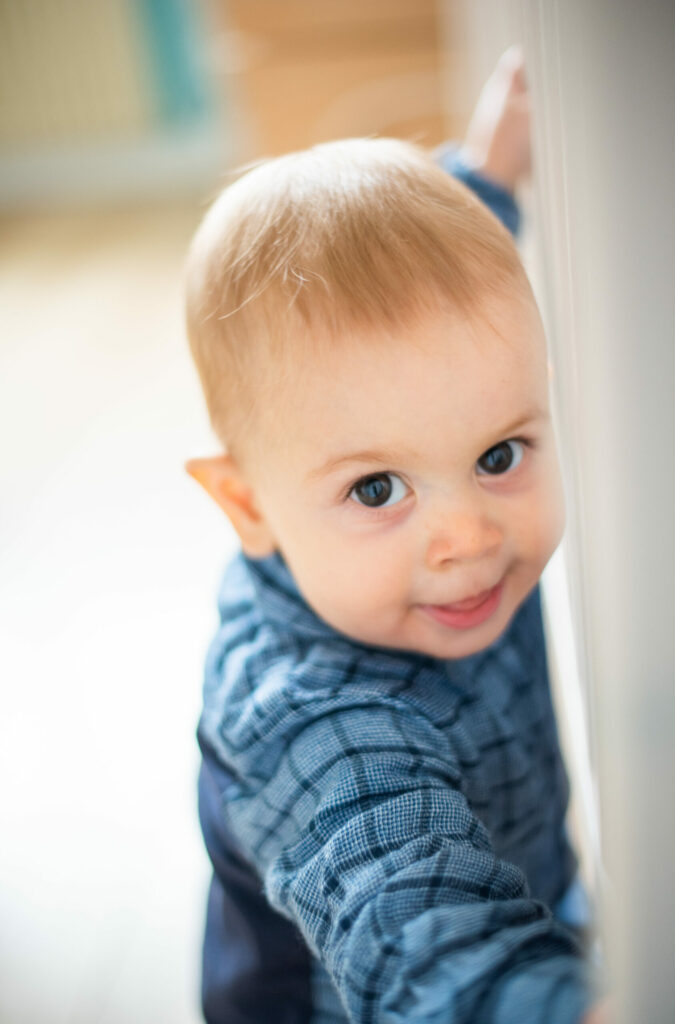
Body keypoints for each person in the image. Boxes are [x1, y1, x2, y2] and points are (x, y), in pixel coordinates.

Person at [185, 49, 604, 1024]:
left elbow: (443, 331)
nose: (468, 533)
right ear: (248, 507)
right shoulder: (312, 726)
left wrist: (487, 177)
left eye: (501, 454)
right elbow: (422, 942)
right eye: (377, 486)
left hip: (535, 889)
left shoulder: (419, 492)